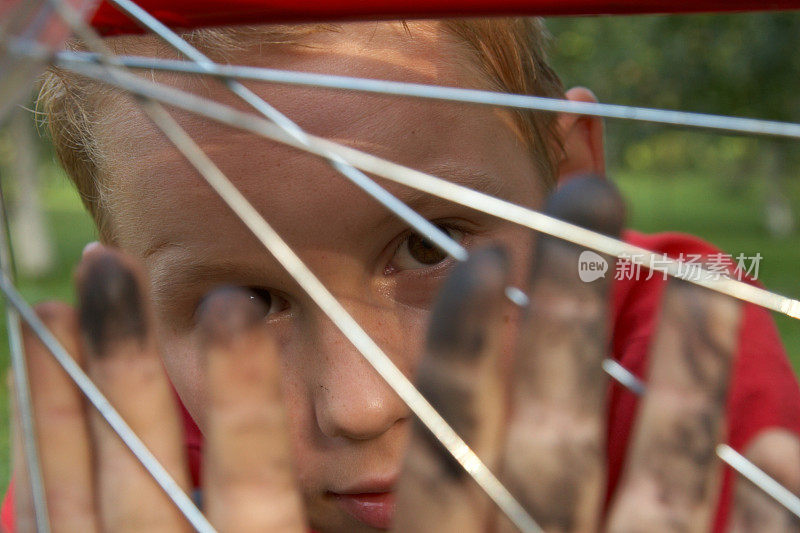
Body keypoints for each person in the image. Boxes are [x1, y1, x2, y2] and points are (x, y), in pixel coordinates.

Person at [4, 18, 800, 532]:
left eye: (429, 245)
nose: (361, 404)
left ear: (569, 186)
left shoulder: (677, 345)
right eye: (241, 302)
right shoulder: (110, 462)